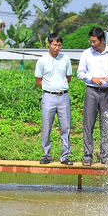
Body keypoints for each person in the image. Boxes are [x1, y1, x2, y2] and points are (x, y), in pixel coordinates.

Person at [77, 27, 108, 166]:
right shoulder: (86, 54)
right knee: (88, 124)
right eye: (90, 41)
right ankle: (87, 156)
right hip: (91, 91)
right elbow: (80, 73)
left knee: (106, 124)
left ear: (102, 40)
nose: (92, 44)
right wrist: (92, 78)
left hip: (107, 92)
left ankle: (105, 155)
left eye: (95, 41)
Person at [35, 32, 74, 165]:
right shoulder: (42, 60)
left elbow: (68, 78)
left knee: (66, 127)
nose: (57, 48)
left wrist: (59, 88)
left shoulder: (65, 59)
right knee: (46, 126)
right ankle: (46, 154)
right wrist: (49, 89)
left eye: (59, 45)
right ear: (49, 44)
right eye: (54, 45)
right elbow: (38, 80)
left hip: (63, 96)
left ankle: (65, 156)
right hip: (48, 96)